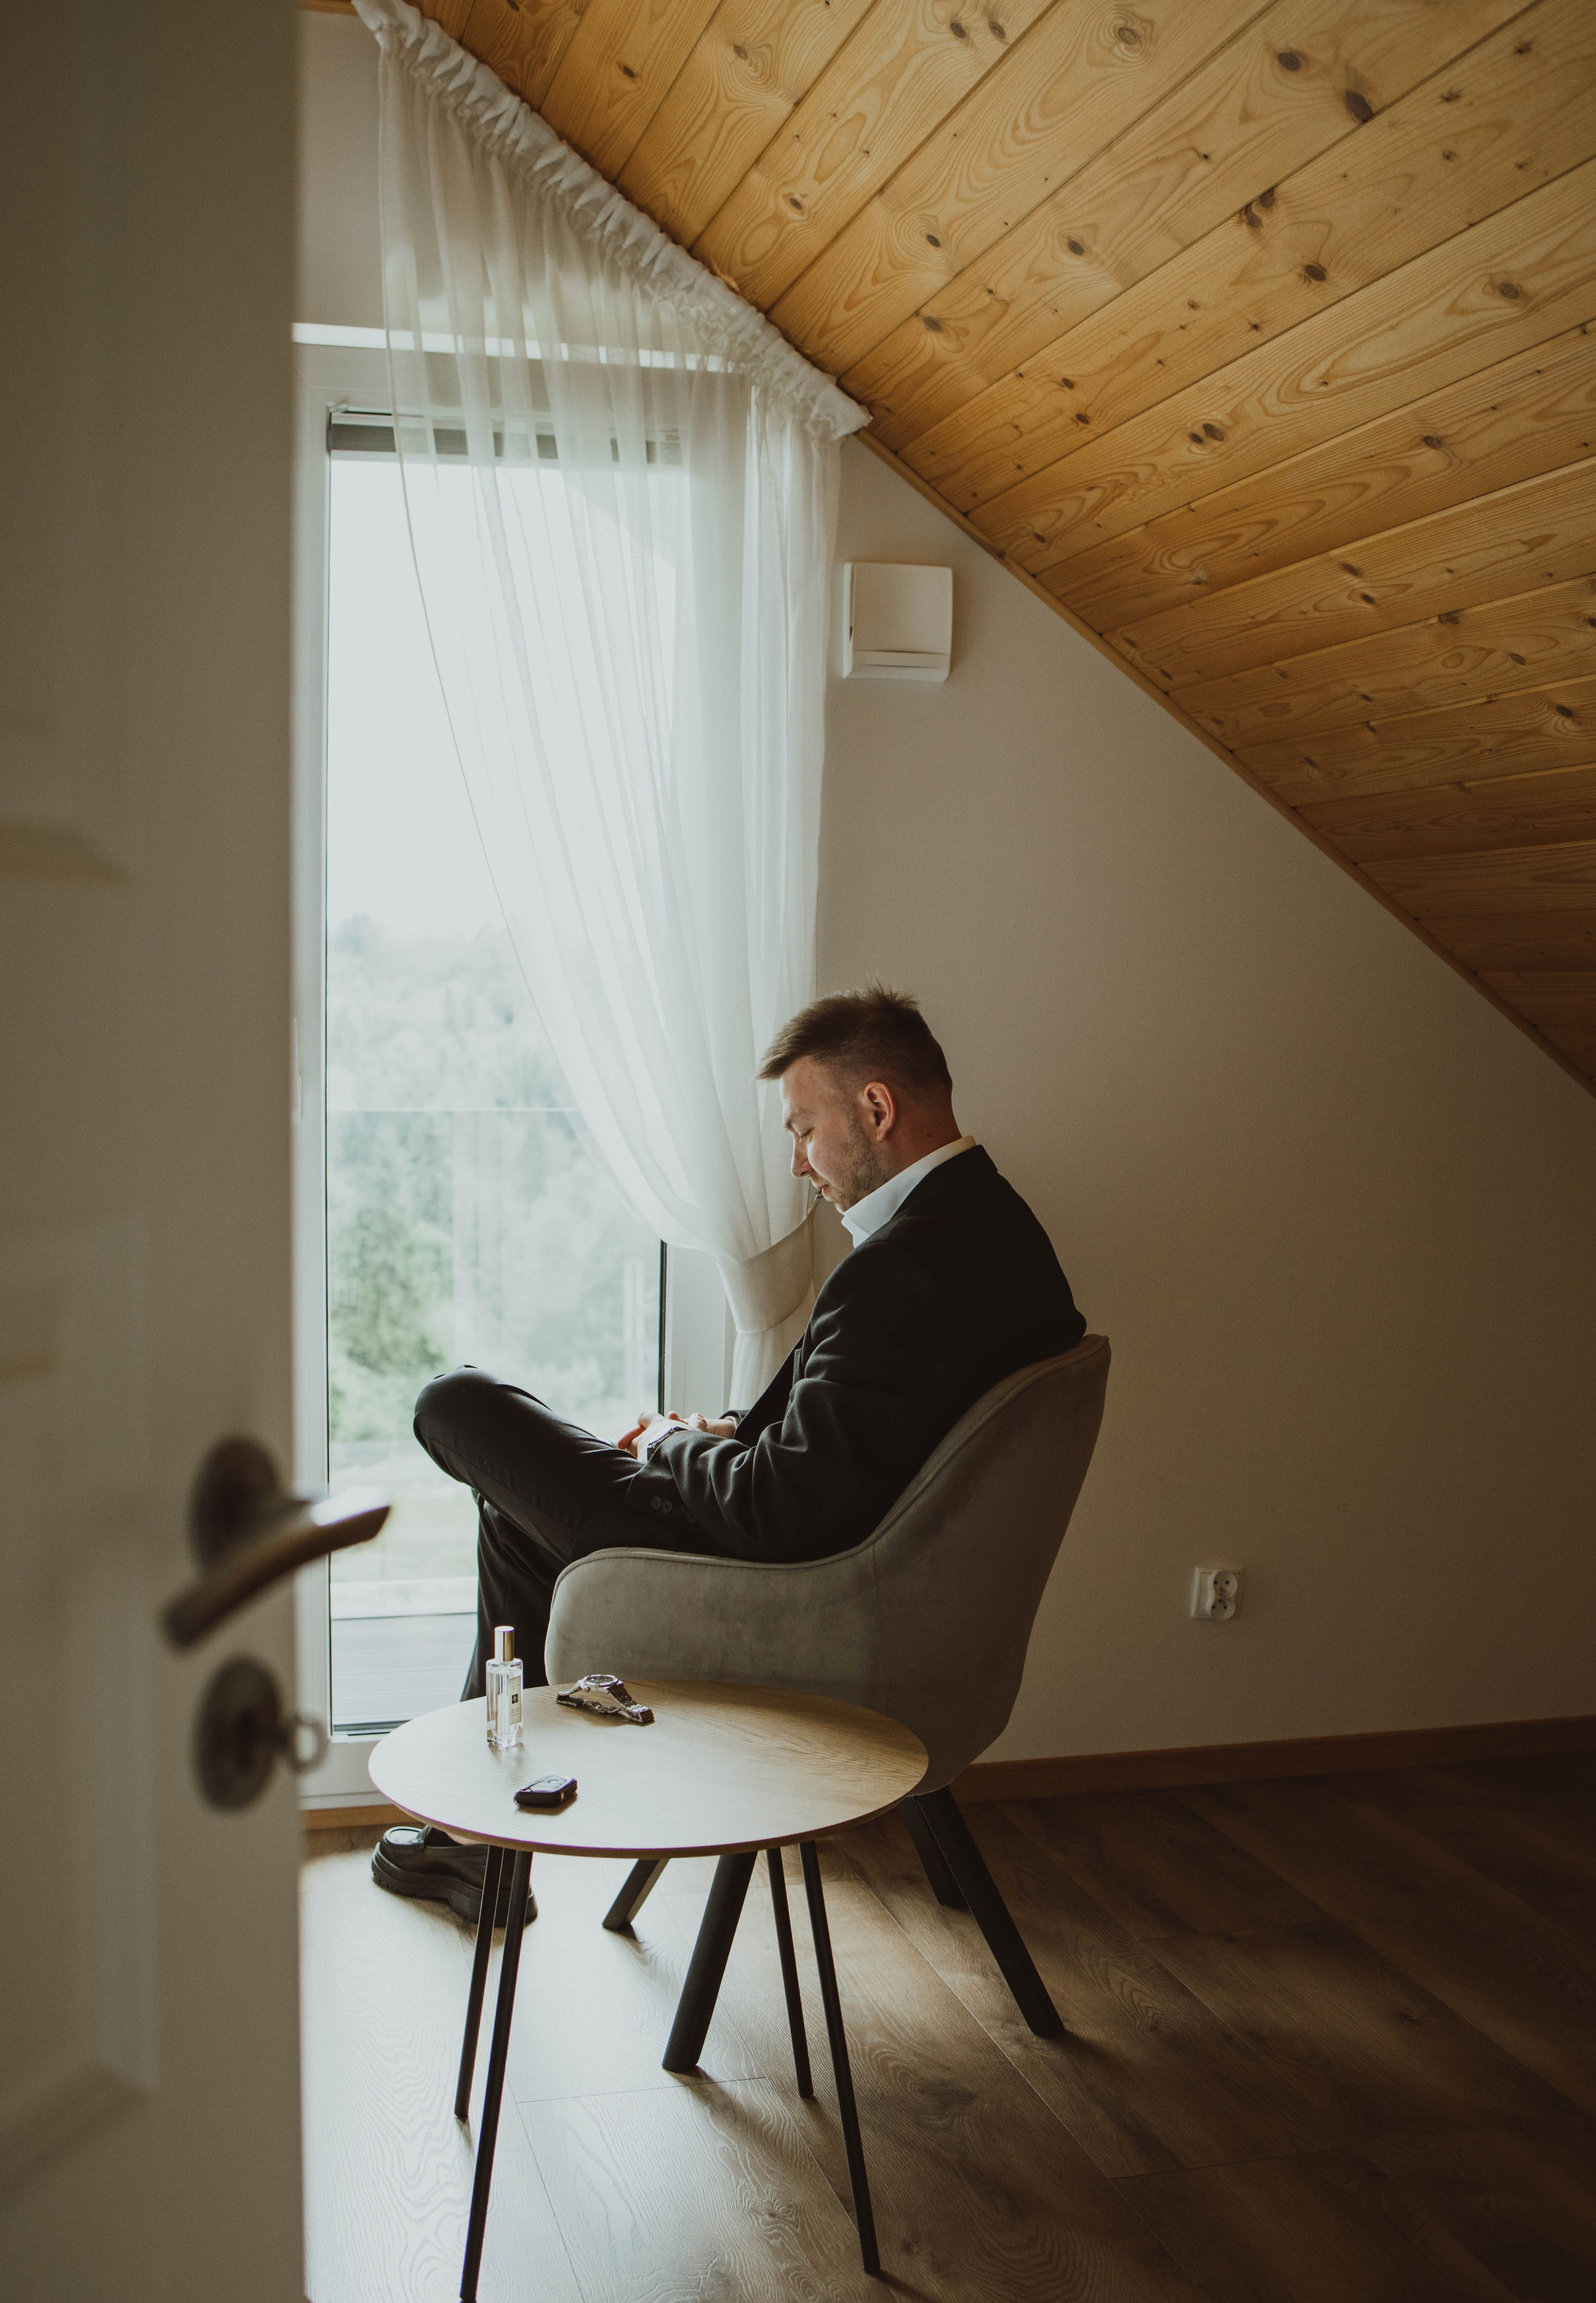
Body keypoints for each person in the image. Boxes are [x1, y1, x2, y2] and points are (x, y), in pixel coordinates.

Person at [413, 984, 1085, 1699]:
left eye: (802, 1129)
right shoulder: (991, 1224)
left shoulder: (908, 1267)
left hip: (763, 1566)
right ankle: (491, 1792)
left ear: (878, 1110)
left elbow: (782, 1508)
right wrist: (731, 1431)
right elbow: (862, 1429)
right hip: (808, 1539)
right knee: (511, 1511)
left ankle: (484, 1796)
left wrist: (669, 1443)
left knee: (456, 1402)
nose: (797, 1162)